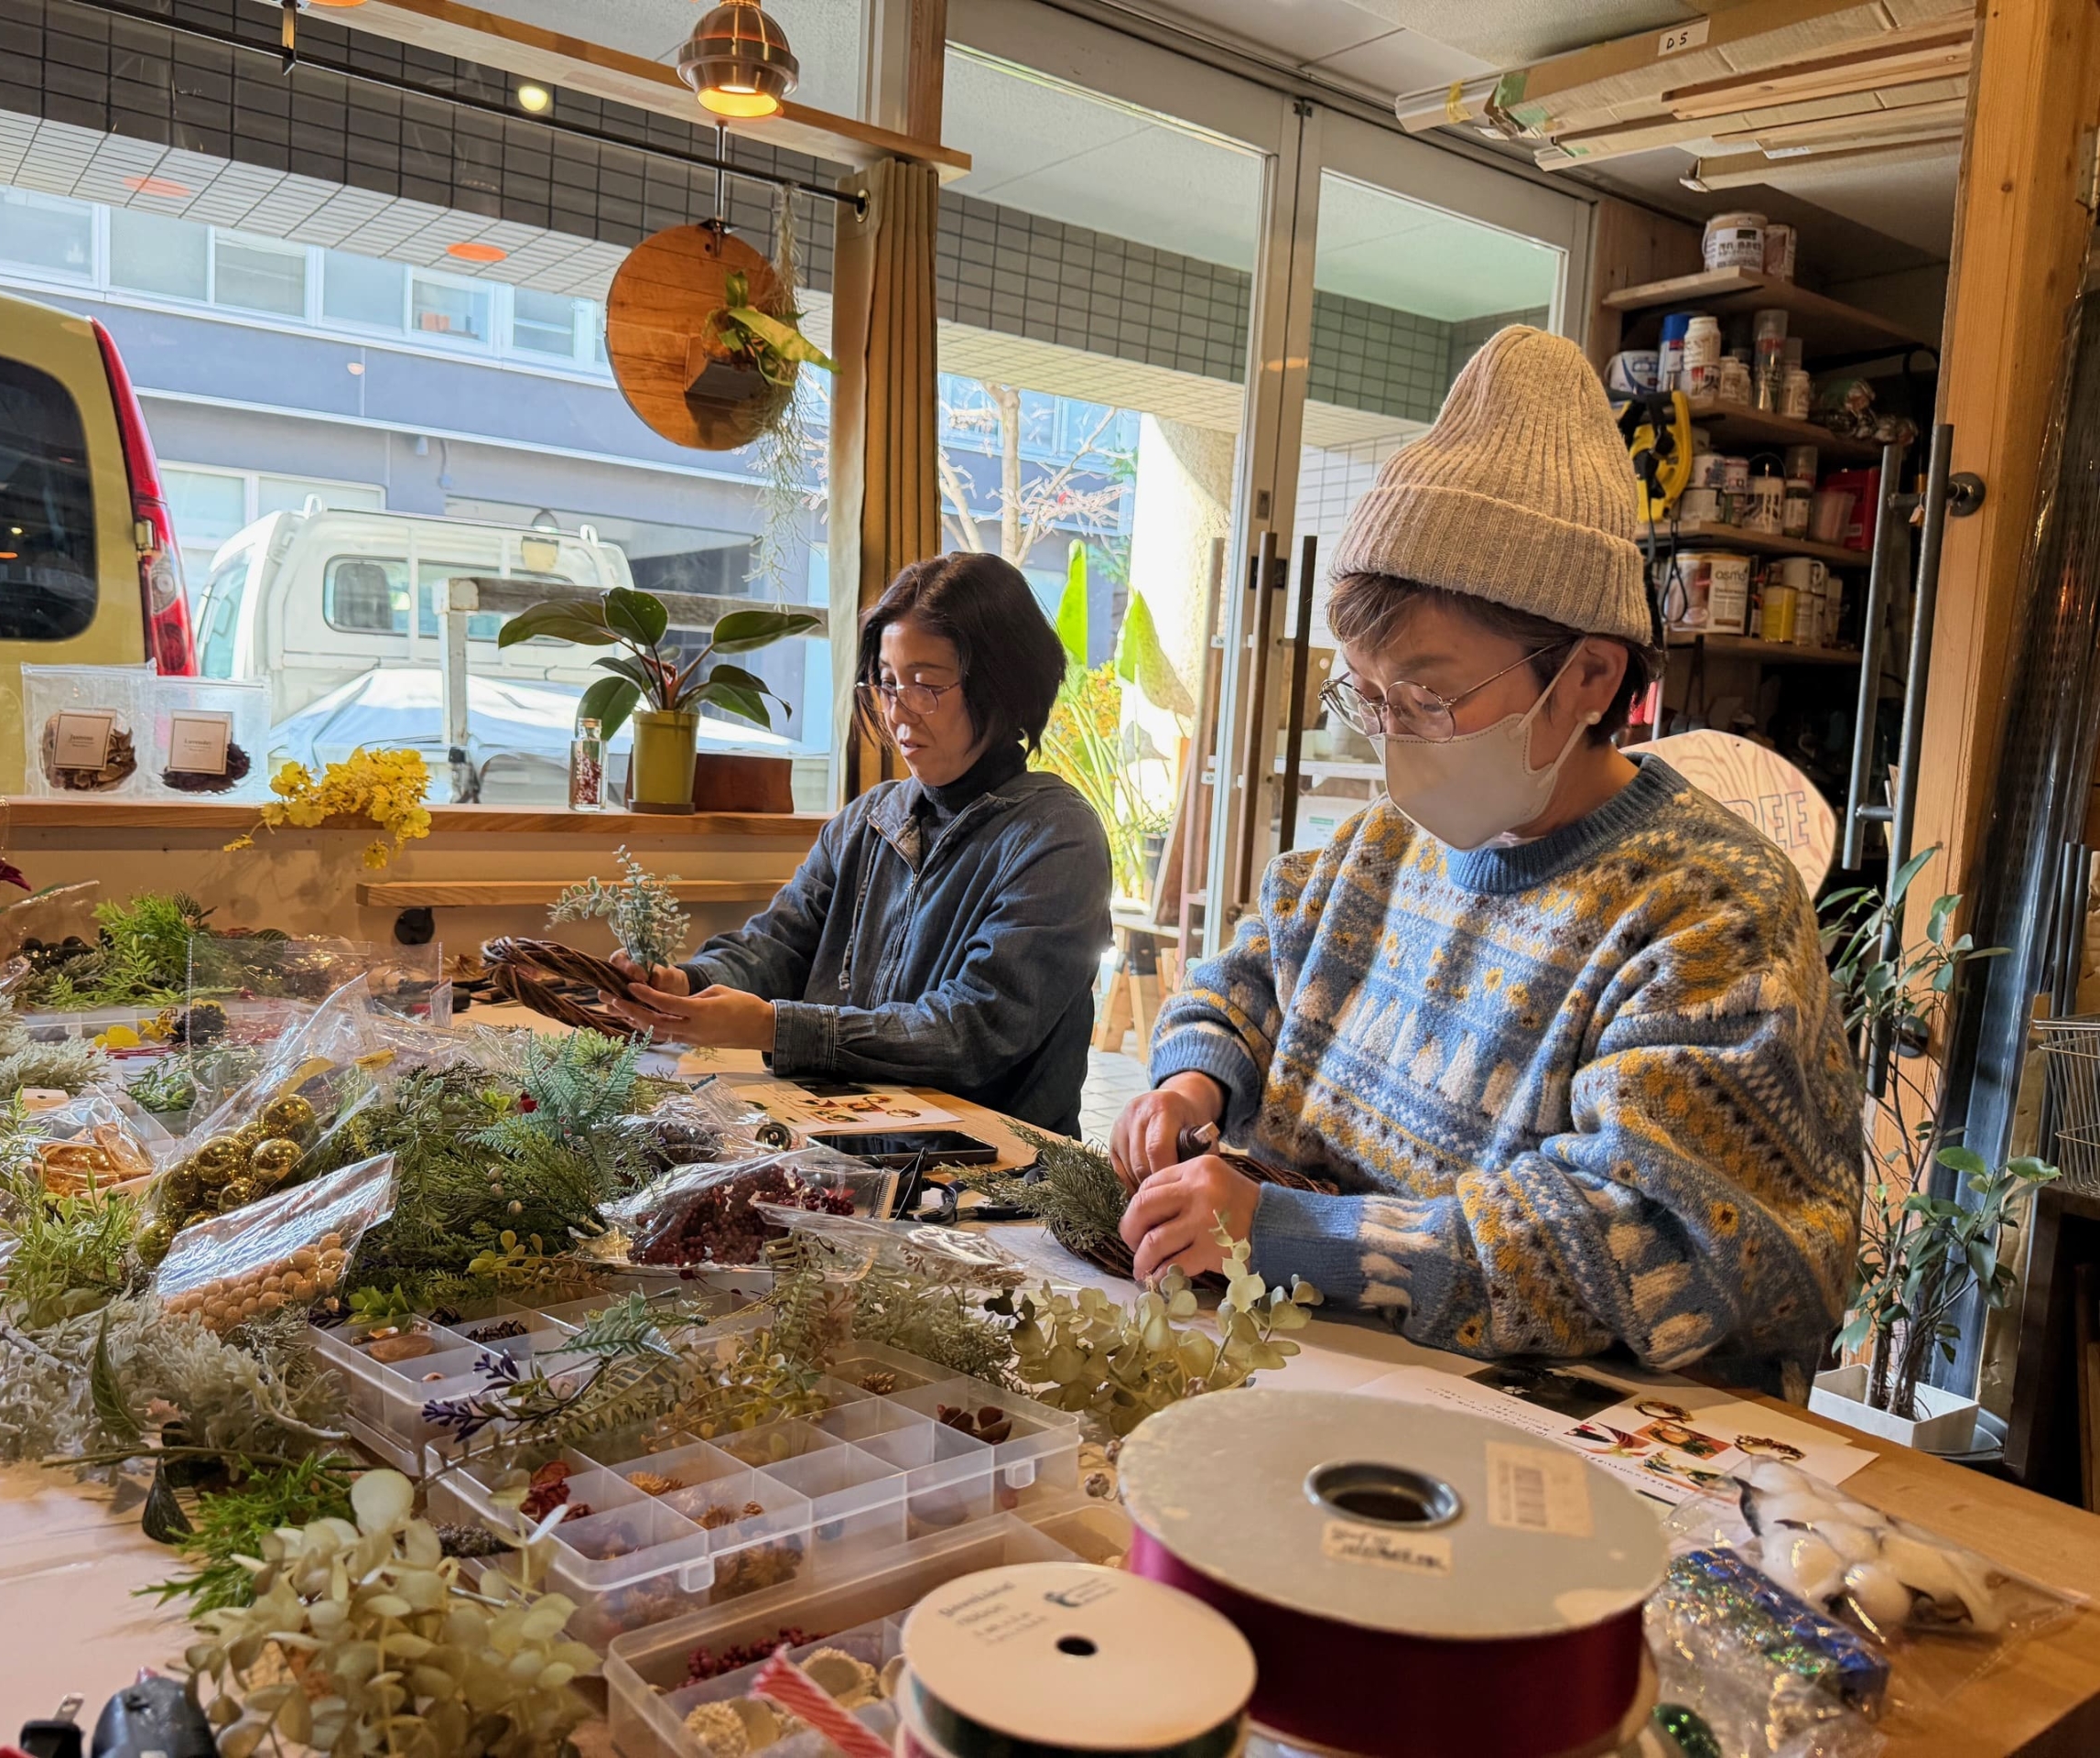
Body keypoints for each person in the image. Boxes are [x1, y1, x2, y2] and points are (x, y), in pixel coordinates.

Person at [1110, 326, 1861, 1396]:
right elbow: (1246, 979)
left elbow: (1657, 1237)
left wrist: (1298, 1232)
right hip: (1339, 1374)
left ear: (1590, 677)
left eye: (1426, 695)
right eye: (1364, 696)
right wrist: (1196, 1075)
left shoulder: (1709, 910)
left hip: (1589, 1437)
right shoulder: (1381, 850)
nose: (1390, 735)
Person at [608, 551, 1112, 1134]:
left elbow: (972, 1031)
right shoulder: (871, 817)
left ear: (1003, 684)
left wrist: (772, 1027)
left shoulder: (1056, 837)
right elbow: (778, 945)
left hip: (991, 1171)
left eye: (926, 687)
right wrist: (687, 983)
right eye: (887, 684)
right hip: (846, 1138)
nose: (899, 715)